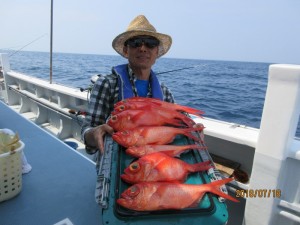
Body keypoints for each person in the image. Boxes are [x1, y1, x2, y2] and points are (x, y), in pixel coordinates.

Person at [81, 15, 175, 154]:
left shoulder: (164, 92)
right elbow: (87, 132)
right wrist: (94, 134)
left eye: (150, 43)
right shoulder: (107, 84)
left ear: (156, 52)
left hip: (155, 163)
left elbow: (180, 123)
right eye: (136, 42)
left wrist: (193, 130)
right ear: (126, 50)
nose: (143, 48)